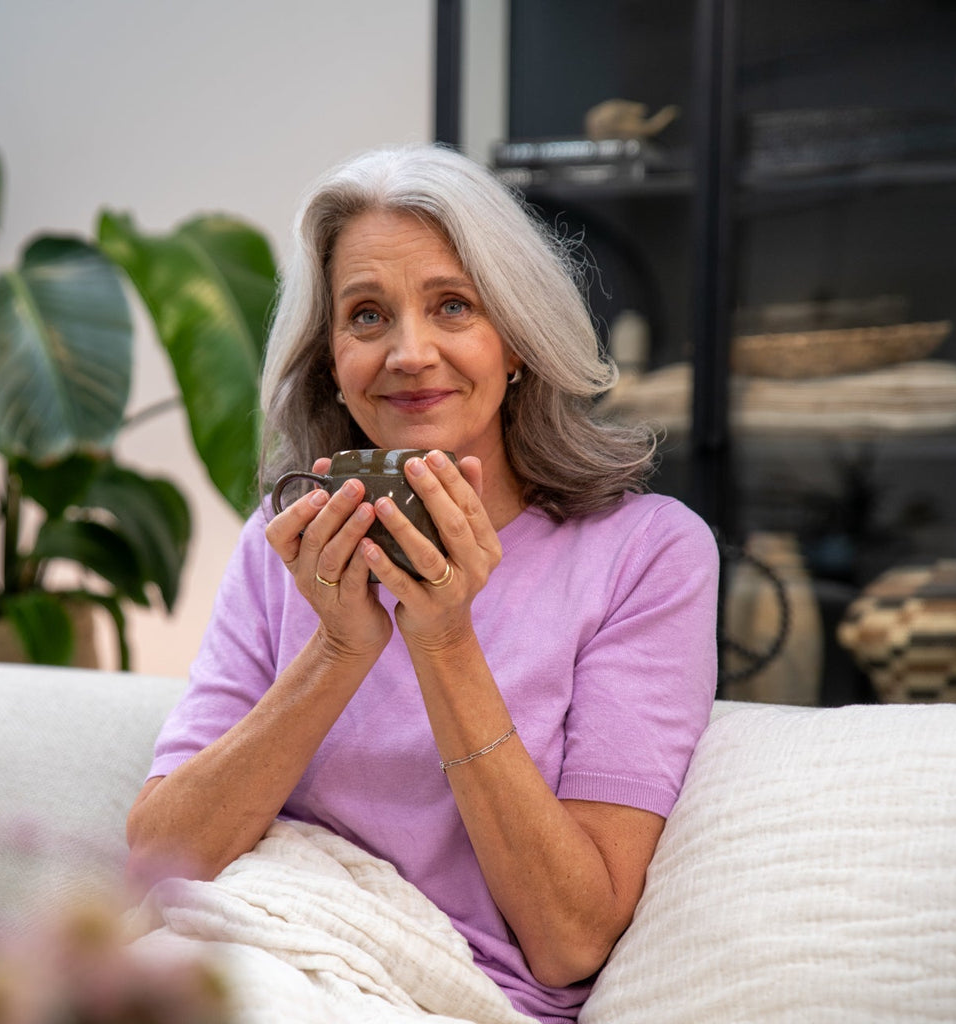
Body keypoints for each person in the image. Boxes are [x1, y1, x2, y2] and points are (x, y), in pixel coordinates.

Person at [126, 144, 718, 1023]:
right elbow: (159, 861)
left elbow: (571, 940)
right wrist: (338, 647)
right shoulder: (282, 549)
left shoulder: (646, 554)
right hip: (252, 945)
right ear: (330, 359)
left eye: (452, 306)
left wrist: (443, 637)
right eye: (367, 316)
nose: (410, 353)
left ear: (515, 339)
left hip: (449, 995)